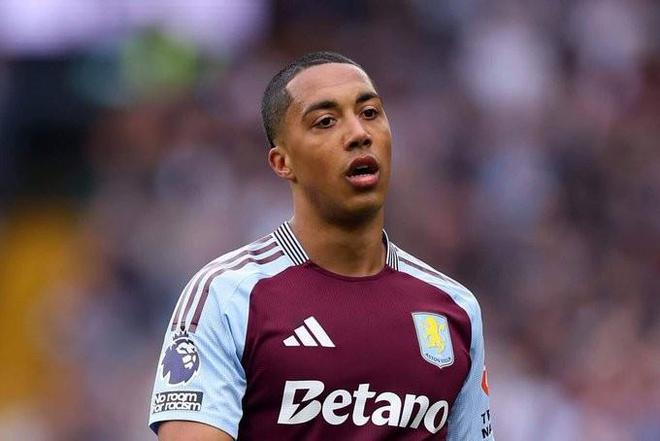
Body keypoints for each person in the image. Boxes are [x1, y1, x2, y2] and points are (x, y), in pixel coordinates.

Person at [148, 51, 494, 440]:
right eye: (326, 121)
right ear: (282, 162)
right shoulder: (227, 296)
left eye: (370, 113)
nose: (359, 133)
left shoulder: (455, 308)